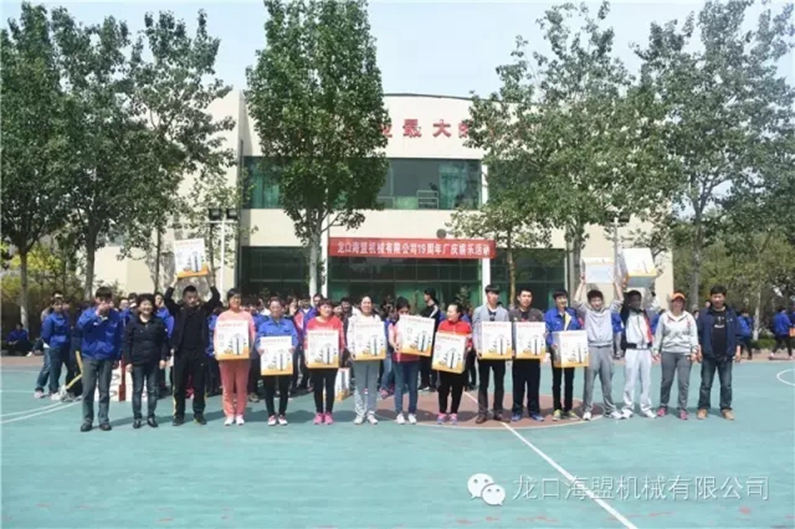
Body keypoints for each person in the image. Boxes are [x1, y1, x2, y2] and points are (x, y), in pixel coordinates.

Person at [164, 275, 220, 426]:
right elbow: (167, 299)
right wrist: (175, 281)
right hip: (181, 352)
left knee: (199, 386)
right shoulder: (178, 311)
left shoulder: (203, 311)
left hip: (199, 353)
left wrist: (209, 280)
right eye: (189, 297)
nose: (192, 300)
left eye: (194, 297)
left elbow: (216, 297)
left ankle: (199, 414)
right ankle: (179, 415)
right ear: (184, 298)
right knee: (179, 386)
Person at [571, 277, 624, 421]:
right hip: (592, 348)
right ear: (590, 302)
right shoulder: (586, 312)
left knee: (607, 382)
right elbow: (575, 301)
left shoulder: (608, 311)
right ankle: (587, 409)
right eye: (594, 300)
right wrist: (582, 283)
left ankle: (610, 409)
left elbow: (620, 300)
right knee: (589, 382)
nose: (596, 303)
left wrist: (615, 283)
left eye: (598, 300)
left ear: (602, 301)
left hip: (607, 349)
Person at [77, 287, 124, 432]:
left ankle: (104, 419)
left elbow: (119, 337)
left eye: (107, 300)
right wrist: (96, 314)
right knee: (88, 390)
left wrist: (117, 356)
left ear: (111, 300)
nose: (104, 303)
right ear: (96, 300)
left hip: (107, 357)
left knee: (104, 390)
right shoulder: (88, 313)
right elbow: (80, 326)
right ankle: (87, 420)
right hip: (90, 356)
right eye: (101, 300)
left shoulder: (116, 316)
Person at [122, 294, 169, 428]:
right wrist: (128, 362)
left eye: (149, 304)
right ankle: (137, 417)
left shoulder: (158, 322)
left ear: (153, 306)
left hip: (153, 361)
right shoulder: (132, 323)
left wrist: (163, 358)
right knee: (137, 390)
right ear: (139, 306)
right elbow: (127, 343)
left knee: (152, 390)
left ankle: (151, 416)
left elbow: (164, 342)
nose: (146, 307)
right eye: (144, 304)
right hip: (137, 362)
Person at [696, 285, 742, 420]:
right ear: (711, 298)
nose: (717, 299)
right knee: (705, 384)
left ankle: (726, 408)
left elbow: (738, 334)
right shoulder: (704, 314)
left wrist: (738, 351)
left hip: (726, 356)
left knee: (726, 385)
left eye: (719, 296)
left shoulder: (731, 314)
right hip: (708, 355)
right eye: (715, 296)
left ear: (724, 297)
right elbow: (698, 334)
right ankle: (703, 408)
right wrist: (699, 351)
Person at [653, 292, 699, 420]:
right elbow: (659, 334)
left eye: (680, 301)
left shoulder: (689, 318)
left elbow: (693, 335)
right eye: (675, 301)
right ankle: (663, 405)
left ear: (683, 303)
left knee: (683, 382)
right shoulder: (664, 317)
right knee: (666, 381)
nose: (678, 303)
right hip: (668, 352)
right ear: (672, 303)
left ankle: (682, 408)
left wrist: (694, 350)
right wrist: (656, 349)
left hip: (684, 353)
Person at [256, 297, 298, 426]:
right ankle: (271, 414)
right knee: (268, 388)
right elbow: (258, 339)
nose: (275, 309)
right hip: (269, 361)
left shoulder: (289, 324)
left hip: (285, 361)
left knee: (284, 388)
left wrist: (293, 346)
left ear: (282, 309)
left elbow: (295, 337)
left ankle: (282, 413)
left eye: (278, 307)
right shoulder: (264, 325)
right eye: (273, 307)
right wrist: (259, 348)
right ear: (270, 309)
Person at [217, 289, 256, 426]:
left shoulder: (247, 316)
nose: (236, 300)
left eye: (238, 298)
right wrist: (218, 351)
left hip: (243, 357)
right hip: (226, 358)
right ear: (228, 300)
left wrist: (250, 349)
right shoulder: (222, 317)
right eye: (233, 298)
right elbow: (217, 335)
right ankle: (229, 413)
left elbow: (252, 334)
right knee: (227, 387)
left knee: (241, 386)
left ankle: (240, 413)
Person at [472, 284, 511, 423]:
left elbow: (507, 331)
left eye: (496, 294)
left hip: (499, 353)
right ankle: (482, 412)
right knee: (483, 383)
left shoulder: (504, 312)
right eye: (491, 293)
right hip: (484, 352)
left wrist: (507, 349)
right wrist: (477, 348)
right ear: (486, 295)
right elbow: (475, 330)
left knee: (499, 383)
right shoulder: (478, 311)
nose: (493, 296)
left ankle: (498, 412)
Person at [620, 288, 659, 419]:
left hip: (645, 350)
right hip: (632, 350)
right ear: (629, 302)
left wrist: (651, 290)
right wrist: (623, 288)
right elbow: (622, 304)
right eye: (633, 300)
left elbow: (655, 306)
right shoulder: (626, 314)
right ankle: (628, 408)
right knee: (630, 380)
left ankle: (646, 407)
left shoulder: (645, 313)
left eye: (638, 300)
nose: (636, 302)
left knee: (646, 381)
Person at [305, 298, 345, 425]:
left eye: (329, 307)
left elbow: (341, 341)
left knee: (330, 386)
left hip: (332, 360)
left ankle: (328, 412)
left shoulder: (336, 321)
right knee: (317, 387)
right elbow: (306, 341)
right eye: (324, 307)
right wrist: (306, 356)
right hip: (316, 360)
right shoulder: (311, 323)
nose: (327, 309)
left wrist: (340, 357)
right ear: (319, 309)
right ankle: (319, 412)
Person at [544, 289, 582, 421]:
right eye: (560, 298)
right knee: (557, 381)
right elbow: (546, 332)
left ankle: (568, 409)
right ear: (555, 300)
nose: (562, 300)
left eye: (564, 298)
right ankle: (557, 409)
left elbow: (578, 329)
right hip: (557, 353)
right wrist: (551, 344)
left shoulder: (572, 313)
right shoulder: (549, 314)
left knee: (569, 381)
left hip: (570, 352)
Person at [508, 286, 545, 422]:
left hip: (533, 357)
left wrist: (544, 349)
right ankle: (517, 411)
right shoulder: (511, 314)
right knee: (518, 386)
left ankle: (534, 411)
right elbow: (507, 333)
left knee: (533, 386)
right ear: (518, 298)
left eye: (529, 296)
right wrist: (510, 349)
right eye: (524, 296)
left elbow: (543, 333)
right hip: (517, 357)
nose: (526, 299)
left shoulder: (537, 314)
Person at [347, 295, 383, 425]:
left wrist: (381, 350)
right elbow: (350, 335)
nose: (367, 305)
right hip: (359, 357)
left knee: (372, 386)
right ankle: (360, 414)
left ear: (372, 305)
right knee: (359, 386)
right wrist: (351, 350)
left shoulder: (376, 318)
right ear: (360, 304)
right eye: (364, 302)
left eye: (369, 302)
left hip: (374, 357)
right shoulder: (354, 319)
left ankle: (371, 413)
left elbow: (381, 336)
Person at [436, 302, 472, 425]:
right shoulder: (442, 325)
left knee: (457, 389)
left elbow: (470, 342)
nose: (448, 313)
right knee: (443, 388)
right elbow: (438, 341)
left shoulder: (466, 326)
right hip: (444, 363)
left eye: (451, 311)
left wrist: (468, 348)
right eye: (448, 311)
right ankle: (442, 412)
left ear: (458, 313)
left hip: (459, 364)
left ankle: (454, 412)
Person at [389, 297, 420, 425]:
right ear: (397, 312)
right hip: (399, 359)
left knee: (413, 387)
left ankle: (412, 412)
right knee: (399, 387)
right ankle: (399, 413)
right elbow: (391, 340)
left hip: (414, 359)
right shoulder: (393, 325)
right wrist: (394, 345)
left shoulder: (416, 324)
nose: (404, 314)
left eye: (406, 311)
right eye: (402, 312)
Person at [40, 297, 72, 400]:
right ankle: (54, 390)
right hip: (55, 347)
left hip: (67, 346)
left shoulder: (66, 317)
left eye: (61, 304)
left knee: (72, 368)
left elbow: (69, 330)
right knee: (55, 369)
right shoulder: (50, 319)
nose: (59, 306)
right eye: (57, 304)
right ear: (52, 306)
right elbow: (45, 335)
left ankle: (69, 389)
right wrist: (53, 343)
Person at [419, 288, 443, 391]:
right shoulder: (424, 309)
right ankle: (424, 382)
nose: (424, 297)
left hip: (432, 339)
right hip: (423, 339)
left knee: (431, 363)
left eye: (425, 294)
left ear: (430, 295)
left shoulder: (435, 308)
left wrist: (421, 319)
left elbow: (429, 320)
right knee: (422, 362)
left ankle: (433, 383)